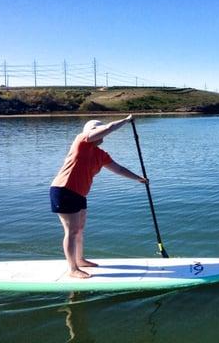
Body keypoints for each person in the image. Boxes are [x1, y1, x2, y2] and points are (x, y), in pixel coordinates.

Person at [50, 115, 147, 278]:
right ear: (89, 133)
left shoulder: (101, 155)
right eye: (95, 130)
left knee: (79, 229)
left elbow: (119, 169)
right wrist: (126, 120)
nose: (99, 134)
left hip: (80, 194)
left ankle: (80, 260)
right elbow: (108, 128)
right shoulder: (81, 141)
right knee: (71, 230)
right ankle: (72, 269)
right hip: (63, 190)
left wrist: (138, 178)